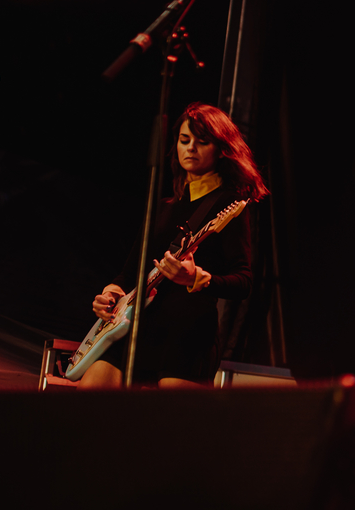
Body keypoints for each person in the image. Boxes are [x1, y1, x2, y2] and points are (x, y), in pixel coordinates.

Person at [79, 103, 268, 388]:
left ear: (221, 149)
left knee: (167, 426)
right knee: (90, 393)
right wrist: (110, 293)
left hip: (187, 333)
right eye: (184, 140)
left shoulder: (229, 204)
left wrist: (196, 278)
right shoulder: (163, 207)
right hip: (136, 326)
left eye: (202, 142)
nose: (191, 148)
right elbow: (129, 273)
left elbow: (243, 282)